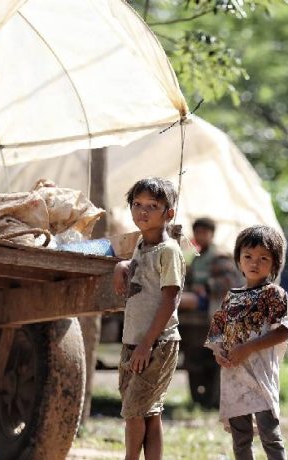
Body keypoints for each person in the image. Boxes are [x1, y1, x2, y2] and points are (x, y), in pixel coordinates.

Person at [205, 225, 288, 460]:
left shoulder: (274, 295)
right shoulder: (231, 297)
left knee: (270, 436)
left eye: (263, 258)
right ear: (239, 260)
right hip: (234, 377)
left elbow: (283, 331)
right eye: (248, 257)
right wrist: (219, 353)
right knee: (241, 438)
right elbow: (218, 333)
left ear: (275, 263)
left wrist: (248, 348)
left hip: (260, 377)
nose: (254, 263)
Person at [113, 177, 186, 460]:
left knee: (133, 413)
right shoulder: (142, 245)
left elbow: (171, 298)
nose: (142, 211)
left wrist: (146, 344)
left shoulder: (168, 251)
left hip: (156, 343)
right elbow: (136, 269)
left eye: (152, 206)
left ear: (169, 214)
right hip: (134, 340)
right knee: (148, 412)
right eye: (137, 204)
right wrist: (121, 265)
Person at [180, 217, 218, 311]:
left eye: (204, 233)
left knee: (175, 301)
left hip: (212, 301)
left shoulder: (218, 256)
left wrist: (206, 287)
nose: (200, 236)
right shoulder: (197, 258)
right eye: (197, 232)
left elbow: (227, 282)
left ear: (212, 235)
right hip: (195, 295)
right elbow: (189, 279)